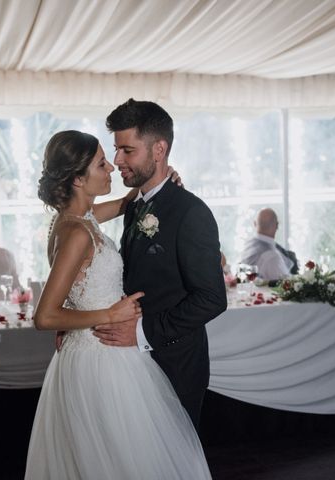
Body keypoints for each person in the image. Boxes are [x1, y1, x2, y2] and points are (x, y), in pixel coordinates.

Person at [24, 130, 212, 479]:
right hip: (101, 359)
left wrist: (160, 182)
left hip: (100, 352)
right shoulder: (78, 232)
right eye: (101, 162)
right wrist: (110, 313)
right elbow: (45, 315)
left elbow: (128, 205)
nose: (111, 166)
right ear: (79, 178)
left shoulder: (78, 218)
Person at [94, 98, 227, 428]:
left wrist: (140, 331)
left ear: (159, 149)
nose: (117, 160)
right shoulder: (135, 206)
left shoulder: (191, 212)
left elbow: (212, 298)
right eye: (116, 150)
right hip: (132, 366)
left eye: (127, 150)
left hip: (175, 367)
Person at [240, 207, 299, 281]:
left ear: (255, 224)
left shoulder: (247, 248)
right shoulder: (272, 256)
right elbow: (288, 283)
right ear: (277, 225)